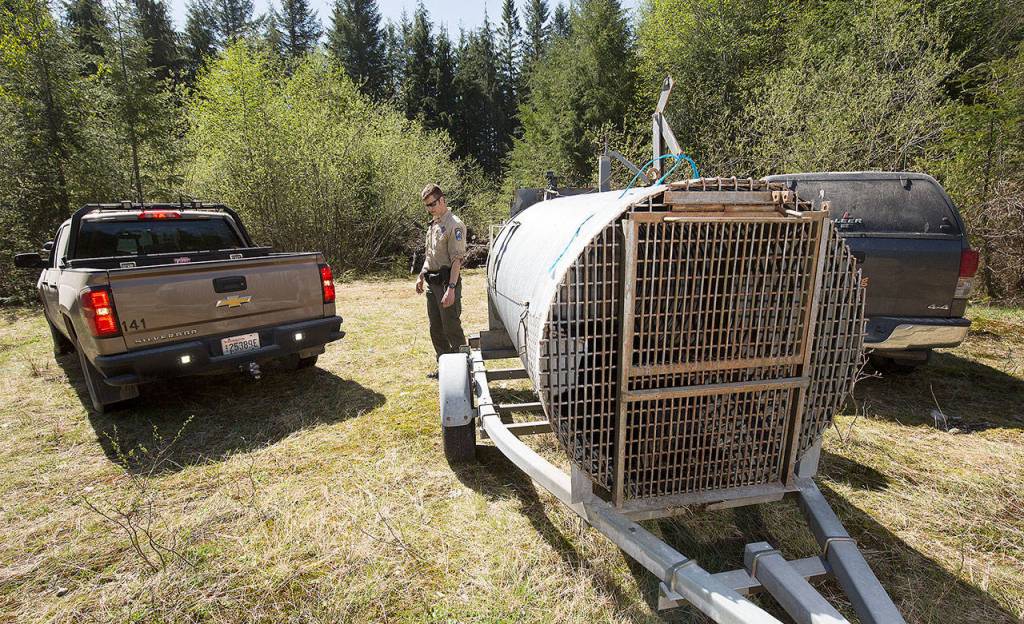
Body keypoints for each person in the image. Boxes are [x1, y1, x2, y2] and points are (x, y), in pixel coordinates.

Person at [416, 183, 467, 378]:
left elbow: (456, 260)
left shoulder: (454, 224)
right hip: (432, 283)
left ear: (442, 200)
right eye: (427, 206)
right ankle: (445, 368)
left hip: (447, 283)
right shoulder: (434, 224)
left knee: (451, 327)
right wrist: (421, 276)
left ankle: (464, 370)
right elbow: (431, 255)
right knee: (435, 328)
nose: (430, 209)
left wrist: (451, 289)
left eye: (432, 204)